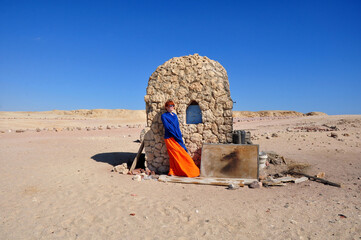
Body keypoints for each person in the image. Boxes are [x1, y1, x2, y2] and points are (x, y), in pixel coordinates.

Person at [161, 100, 200, 177]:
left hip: (177, 137)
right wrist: (175, 135)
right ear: (166, 107)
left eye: (172, 105)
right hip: (169, 138)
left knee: (183, 154)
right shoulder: (164, 116)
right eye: (169, 105)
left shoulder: (174, 116)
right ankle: (173, 171)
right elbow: (168, 127)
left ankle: (191, 171)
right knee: (174, 155)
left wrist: (179, 137)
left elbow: (177, 127)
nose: (171, 107)